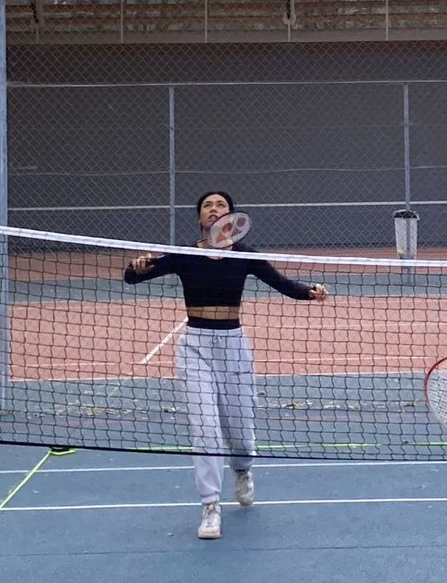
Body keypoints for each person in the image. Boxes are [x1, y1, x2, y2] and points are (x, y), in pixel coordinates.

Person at [124, 191, 328, 540]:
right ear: (201, 218)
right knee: (205, 427)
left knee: (239, 424)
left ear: (231, 217)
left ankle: (244, 470)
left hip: (234, 346)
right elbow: (133, 277)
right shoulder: (185, 254)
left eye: (220, 205)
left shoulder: (246, 256)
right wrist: (137, 265)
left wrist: (309, 290)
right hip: (195, 347)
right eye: (207, 206)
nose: (214, 209)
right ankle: (210, 506)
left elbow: (283, 284)